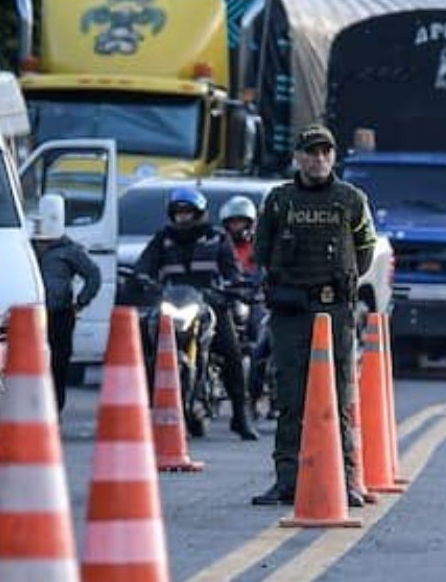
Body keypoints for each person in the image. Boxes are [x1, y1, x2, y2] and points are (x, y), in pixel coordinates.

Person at [251, 125, 377, 507]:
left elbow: (365, 251)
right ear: (298, 157)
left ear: (334, 156)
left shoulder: (351, 199)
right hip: (290, 312)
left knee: (338, 397)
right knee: (289, 397)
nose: (318, 159)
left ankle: (346, 480)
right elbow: (261, 250)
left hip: (334, 310)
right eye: (311, 152)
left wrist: (339, 285)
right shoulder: (279, 201)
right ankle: (286, 481)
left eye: (325, 152)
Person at [135, 187, 258, 441]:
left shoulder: (217, 238)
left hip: (208, 304)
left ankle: (240, 416)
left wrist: (234, 285)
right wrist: (141, 280)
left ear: (199, 213)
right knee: (143, 339)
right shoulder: (162, 239)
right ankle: (143, 406)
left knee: (232, 353)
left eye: (188, 213)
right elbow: (144, 266)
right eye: (178, 213)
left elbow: (232, 270)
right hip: (171, 304)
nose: (183, 218)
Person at [30, 193, 101, 412]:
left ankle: (55, 409)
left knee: (58, 364)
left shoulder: (70, 250)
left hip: (59, 314)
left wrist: (81, 302)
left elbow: (93, 275)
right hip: (32, 316)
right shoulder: (27, 246)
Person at [218, 195, 272, 408]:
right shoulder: (220, 245)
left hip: (254, 300)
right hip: (229, 299)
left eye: (240, 222)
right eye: (232, 222)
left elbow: (267, 269)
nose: (236, 227)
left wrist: (260, 284)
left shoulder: (260, 247)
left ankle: (260, 388)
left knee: (260, 341)